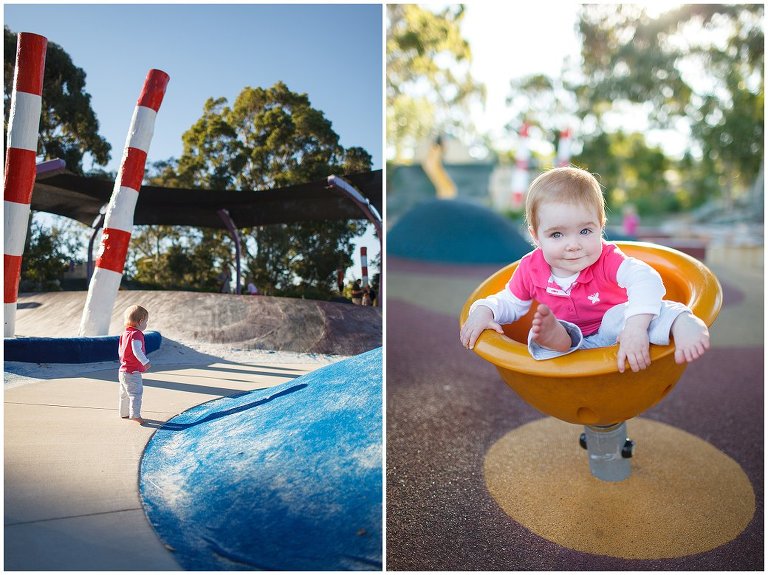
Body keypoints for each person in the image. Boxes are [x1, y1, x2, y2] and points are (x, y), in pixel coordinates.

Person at [459, 166, 710, 373]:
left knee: (629, 314)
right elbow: (510, 303)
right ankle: (557, 337)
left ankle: (680, 320)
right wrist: (484, 310)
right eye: (557, 234)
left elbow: (647, 279)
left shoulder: (607, 259)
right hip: (572, 343)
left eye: (585, 231)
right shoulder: (531, 268)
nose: (573, 245)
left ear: (601, 226)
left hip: (617, 331)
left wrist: (635, 326)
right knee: (539, 341)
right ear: (537, 237)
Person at [118, 305, 151, 424]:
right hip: (133, 371)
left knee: (124, 394)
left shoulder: (125, 333)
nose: (146, 324)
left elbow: (120, 350)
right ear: (140, 321)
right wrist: (145, 362)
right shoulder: (136, 334)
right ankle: (135, 415)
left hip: (123, 370)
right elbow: (137, 350)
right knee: (135, 394)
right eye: (146, 322)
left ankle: (124, 413)